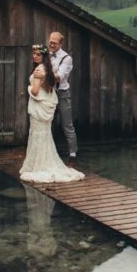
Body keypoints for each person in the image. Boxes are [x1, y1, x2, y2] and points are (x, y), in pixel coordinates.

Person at [20, 44, 85, 183]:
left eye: (38, 54)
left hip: (39, 106)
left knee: (38, 134)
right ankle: (41, 161)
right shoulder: (47, 68)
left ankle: (39, 165)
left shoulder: (39, 69)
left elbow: (36, 91)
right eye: (34, 53)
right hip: (44, 104)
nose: (35, 56)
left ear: (43, 56)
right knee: (43, 134)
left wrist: (28, 87)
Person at [48, 31, 76, 158]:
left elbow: (59, 77)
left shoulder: (67, 58)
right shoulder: (47, 55)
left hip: (62, 94)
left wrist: (45, 74)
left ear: (61, 43)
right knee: (48, 122)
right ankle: (50, 152)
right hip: (49, 93)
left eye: (54, 43)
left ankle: (72, 154)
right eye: (50, 42)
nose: (51, 44)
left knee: (67, 124)